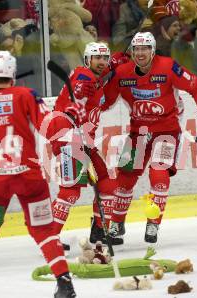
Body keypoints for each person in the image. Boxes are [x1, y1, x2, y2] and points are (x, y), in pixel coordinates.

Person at [0, 50, 81, 298]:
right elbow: (49, 127)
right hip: (29, 177)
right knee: (43, 230)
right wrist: (70, 115)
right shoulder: (25, 94)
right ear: (13, 73)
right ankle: (64, 284)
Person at [99, 32, 197, 244]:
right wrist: (103, 77)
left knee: (158, 173)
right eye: (136, 49)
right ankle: (117, 224)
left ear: (153, 50)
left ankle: (153, 223)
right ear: (131, 52)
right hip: (138, 132)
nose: (140, 53)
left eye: (145, 48)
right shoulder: (122, 73)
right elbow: (104, 102)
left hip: (166, 131)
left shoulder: (167, 67)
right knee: (125, 177)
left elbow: (194, 84)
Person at [51, 41, 123, 245]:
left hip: (85, 140)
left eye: (104, 58)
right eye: (97, 58)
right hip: (67, 138)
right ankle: (50, 237)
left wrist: (115, 64)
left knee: (108, 184)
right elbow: (78, 90)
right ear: (87, 60)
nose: (101, 62)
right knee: (71, 191)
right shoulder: (84, 76)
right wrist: (80, 92)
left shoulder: (97, 81)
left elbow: (102, 101)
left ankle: (99, 231)